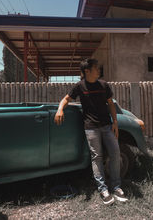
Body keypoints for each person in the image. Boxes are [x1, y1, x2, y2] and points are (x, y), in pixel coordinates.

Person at [54, 58, 128, 205]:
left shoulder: (104, 85)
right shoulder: (80, 86)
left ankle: (116, 186)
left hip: (107, 126)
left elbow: (111, 104)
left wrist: (115, 122)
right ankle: (103, 189)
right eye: (96, 68)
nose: (99, 70)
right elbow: (66, 99)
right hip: (91, 127)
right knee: (97, 157)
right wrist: (60, 109)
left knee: (115, 153)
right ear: (87, 71)